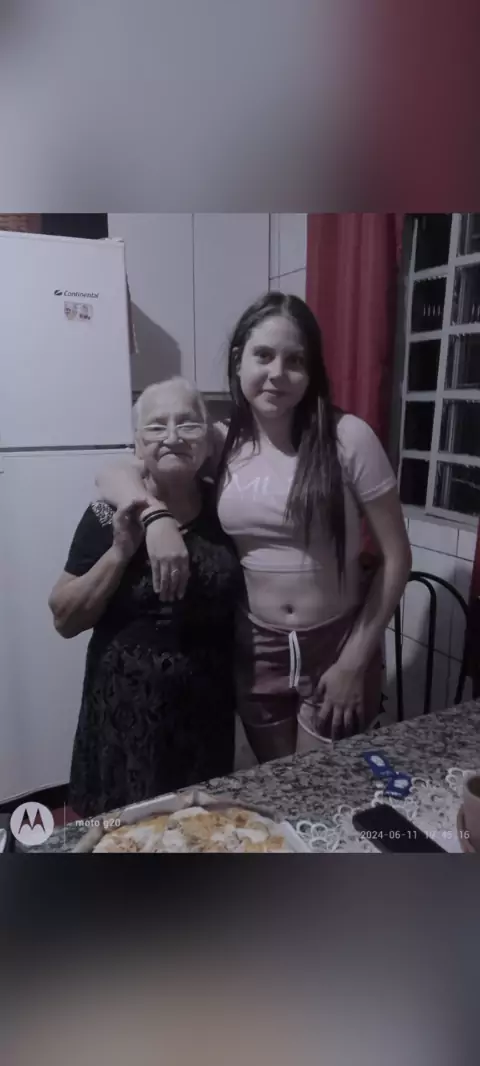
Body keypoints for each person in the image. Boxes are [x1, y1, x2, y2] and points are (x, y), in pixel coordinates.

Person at [96, 293, 412, 762]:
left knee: (321, 789)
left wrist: (354, 661)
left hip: (336, 644)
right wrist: (156, 518)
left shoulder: (347, 438)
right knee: (277, 786)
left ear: (311, 371)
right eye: (263, 355)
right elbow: (111, 473)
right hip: (256, 649)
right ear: (238, 360)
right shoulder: (221, 440)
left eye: (295, 360)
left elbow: (397, 557)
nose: (277, 373)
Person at [48, 378, 243, 817]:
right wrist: (120, 552)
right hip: (123, 719)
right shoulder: (109, 513)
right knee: (118, 841)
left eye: (188, 424)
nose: (172, 437)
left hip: (206, 715)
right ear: (137, 444)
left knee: (200, 834)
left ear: (207, 440)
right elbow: (64, 619)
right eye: (156, 426)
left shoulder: (228, 507)